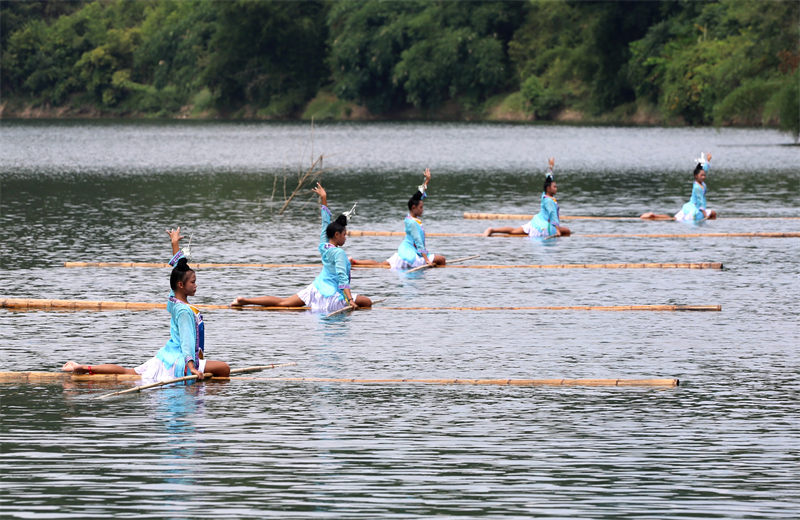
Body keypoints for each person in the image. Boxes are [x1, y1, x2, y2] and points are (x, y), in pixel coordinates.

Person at [62, 228, 230, 381]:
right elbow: (186, 341)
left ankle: (85, 367)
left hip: (167, 356)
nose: (196, 285)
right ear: (181, 285)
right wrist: (192, 367)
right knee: (224, 369)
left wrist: (174, 243)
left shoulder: (173, 300)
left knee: (130, 372)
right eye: (193, 282)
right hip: (181, 362)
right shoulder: (184, 310)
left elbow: (178, 268)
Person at [231, 183, 372, 312]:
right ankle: (244, 300)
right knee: (367, 302)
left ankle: (244, 300)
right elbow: (342, 279)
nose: (345, 238)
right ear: (336, 234)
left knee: (283, 302)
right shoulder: (338, 253)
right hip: (331, 295)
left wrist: (323, 198)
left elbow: (325, 221)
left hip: (315, 288)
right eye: (344, 235)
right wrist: (350, 301)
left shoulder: (323, 244)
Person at [350, 168, 447, 270]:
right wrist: (427, 260)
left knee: (382, 264)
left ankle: (355, 262)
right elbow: (419, 243)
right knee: (442, 260)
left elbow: (418, 195)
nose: (422, 210)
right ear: (414, 207)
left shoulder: (410, 217)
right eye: (421, 207)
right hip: (410, 255)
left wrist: (427, 180)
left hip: (406, 250)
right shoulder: (412, 223)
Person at [484, 158, 571, 238]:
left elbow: (548, 178)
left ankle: (493, 230)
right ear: (548, 188)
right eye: (554, 187)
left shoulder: (544, 195)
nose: (556, 188)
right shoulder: (549, 201)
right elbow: (553, 217)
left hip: (537, 222)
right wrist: (558, 231)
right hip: (544, 226)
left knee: (514, 231)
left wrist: (551, 166)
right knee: (567, 231)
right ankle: (492, 230)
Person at [641, 153, 717, 221]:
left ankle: (654, 216)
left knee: (713, 214)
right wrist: (705, 215)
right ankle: (653, 216)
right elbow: (700, 203)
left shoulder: (701, 182)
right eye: (701, 175)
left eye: (704, 175)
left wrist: (708, 160)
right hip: (694, 209)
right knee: (675, 219)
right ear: (696, 176)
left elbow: (704, 170)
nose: (703, 177)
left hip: (695, 207)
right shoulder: (697, 187)